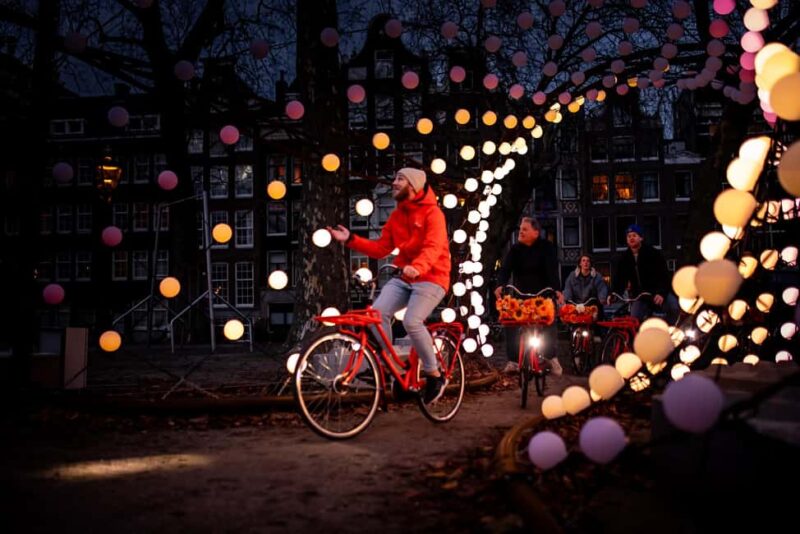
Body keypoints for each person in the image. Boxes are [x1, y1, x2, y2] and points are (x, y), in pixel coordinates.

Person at [328, 167, 451, 404]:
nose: (394, 183)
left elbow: (434, 247)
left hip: (432, 277)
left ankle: (435, 374)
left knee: (411, 321)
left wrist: (418, 266)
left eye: (400, 179)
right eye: (395, 178)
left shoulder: (433, 214)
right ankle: (393, 366)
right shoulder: (397, 216)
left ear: (413, 186)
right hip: (404, 277)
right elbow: (381, 248)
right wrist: (350, 239)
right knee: (376, 314)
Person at [494, 217, 564, 376]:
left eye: (525, 229)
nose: (521, 232)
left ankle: (551, 357)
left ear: (536, 232)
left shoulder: (547, 248)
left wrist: (557, 290)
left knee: (549, 321)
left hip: (542, 296)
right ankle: (513, 361)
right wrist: (500, 284)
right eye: (520, 229)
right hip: (521, 296)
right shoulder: (515, 249)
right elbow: (505, 269)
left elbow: (552, 271)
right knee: (510, 321)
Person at [608, 224, 679, 323]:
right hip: (640, 295)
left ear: (641, 238)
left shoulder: (653, 253)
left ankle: (671, 333)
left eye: (634, 235)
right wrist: (614, 294)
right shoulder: (624, 258)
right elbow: (620, 278)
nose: (631, 238)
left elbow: (664, 275)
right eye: (629, 236)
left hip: (657, 292)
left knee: (674, 308)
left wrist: (661, 293)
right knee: (634, 318)